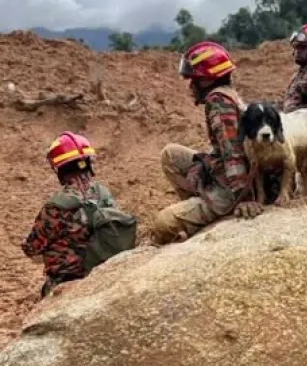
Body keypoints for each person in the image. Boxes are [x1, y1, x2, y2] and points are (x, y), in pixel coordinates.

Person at [153, 41, 262, 245]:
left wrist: (244, 197)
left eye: (194, 79)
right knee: (171, 154)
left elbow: (232, 152)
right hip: (225, 172)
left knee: (164, 223)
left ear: (205, 80)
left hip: (230, 189)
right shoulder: (227, 94)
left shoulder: (218, 102)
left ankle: (199, 216)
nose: (191, 85)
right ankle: (193, 208)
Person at [22, 131, 133, 298]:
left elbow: (32, 248)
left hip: (68, 280)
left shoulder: (57, 207)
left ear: (59, 169)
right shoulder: (103, 193)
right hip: (105, 270)